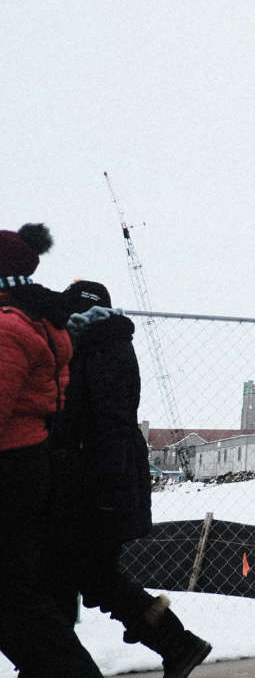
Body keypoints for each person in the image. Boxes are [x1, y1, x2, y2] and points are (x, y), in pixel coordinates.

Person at [39, 280, 212, 678]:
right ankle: (178, 644)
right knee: (90, 577)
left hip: (92, 485)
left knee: (68, 576)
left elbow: (102, 424)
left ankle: (175, 644)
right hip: (100, 482)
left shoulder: (95, 349)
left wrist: (105, 488)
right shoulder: (109, 344)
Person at [0, 223, 103, 678]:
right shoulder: (40, 321)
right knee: (17, 592)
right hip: (27, 463)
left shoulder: (9, 330)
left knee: (13, 597)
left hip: (8, 467)